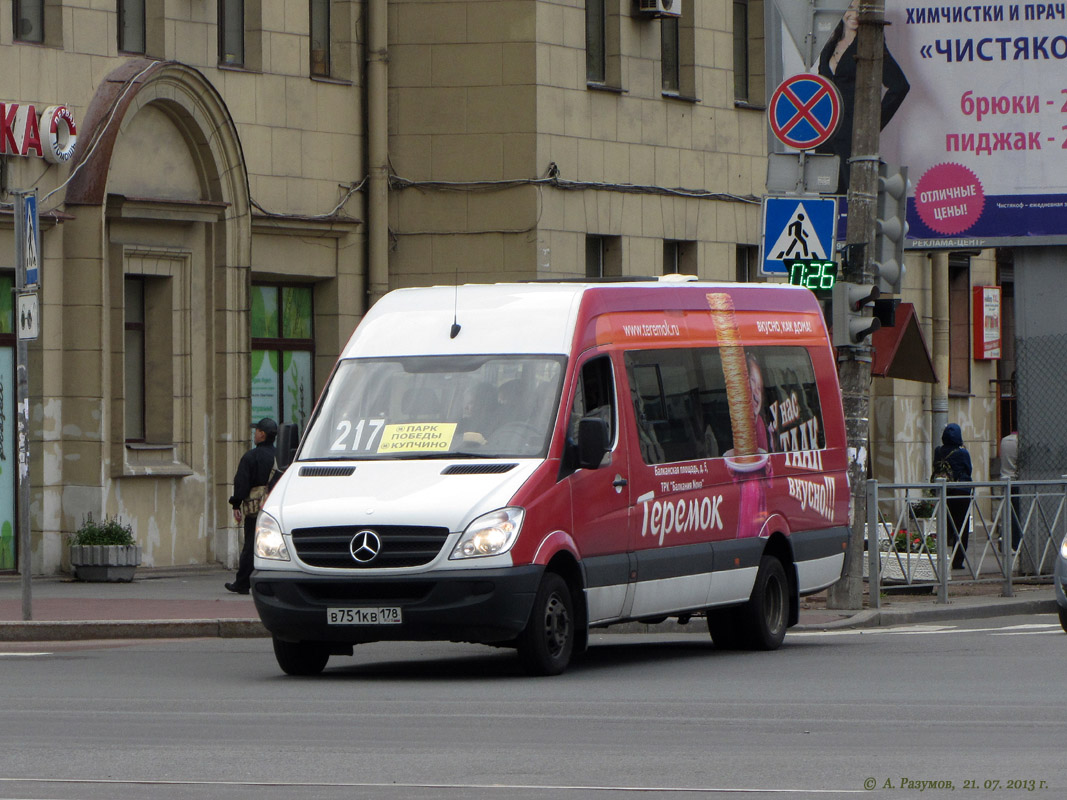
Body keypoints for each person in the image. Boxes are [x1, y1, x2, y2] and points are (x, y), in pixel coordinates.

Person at [815, 0, 910, 195]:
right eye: (850, 7)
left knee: (855, 200)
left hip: (852, 139)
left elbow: (900, 86)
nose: (855, 14)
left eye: (861, 9)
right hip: (825, 139)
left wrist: (872, 125)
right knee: (828, 203)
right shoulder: (828, 46)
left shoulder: (870, 45)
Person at [225, 417, 278, 594]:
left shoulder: (251, 457)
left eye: (257, 431)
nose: (254, 434)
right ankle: (271, 584)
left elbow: (242, 482)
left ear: (262, 434)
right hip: (276, 508)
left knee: (250, 545)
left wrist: (236, 504)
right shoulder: (282, 456)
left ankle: (242, 583)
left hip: (255, 510)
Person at [932, 423, 973, 570]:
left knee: (945, 525)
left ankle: (942, 557)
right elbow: (968, 469)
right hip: (962, 492)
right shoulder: (962, 453)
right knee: (961, 527)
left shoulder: (939, 451)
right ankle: (957, 560)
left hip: (944, 492)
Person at [1000, 426, 1020, 550]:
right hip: (1016, 480)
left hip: (1004, 479)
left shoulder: (1004, 441)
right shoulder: (1019, 442)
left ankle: (1004, 538)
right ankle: (1015, 543)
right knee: (1016, 514)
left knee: (1006, 513)